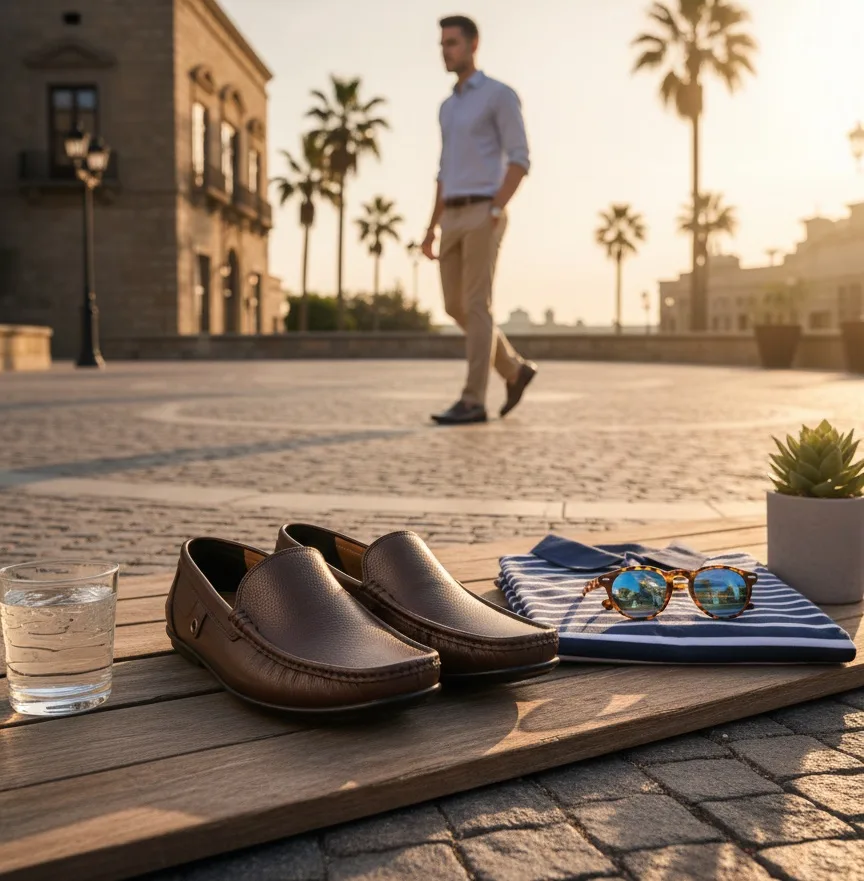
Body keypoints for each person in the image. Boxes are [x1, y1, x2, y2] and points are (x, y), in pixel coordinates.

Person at [422, 14, 537, 426]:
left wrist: (496, 207)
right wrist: (430, 228)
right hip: (450, 215)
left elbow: (520, 159)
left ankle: (473, 400)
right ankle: (514, 370)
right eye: (442, 44)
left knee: (476, 304)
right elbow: (443, 171)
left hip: (483, 211)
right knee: (455, 306)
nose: (445, 51)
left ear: (473, 45)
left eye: (452, 43)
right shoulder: (447, 108)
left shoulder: (498, 95)